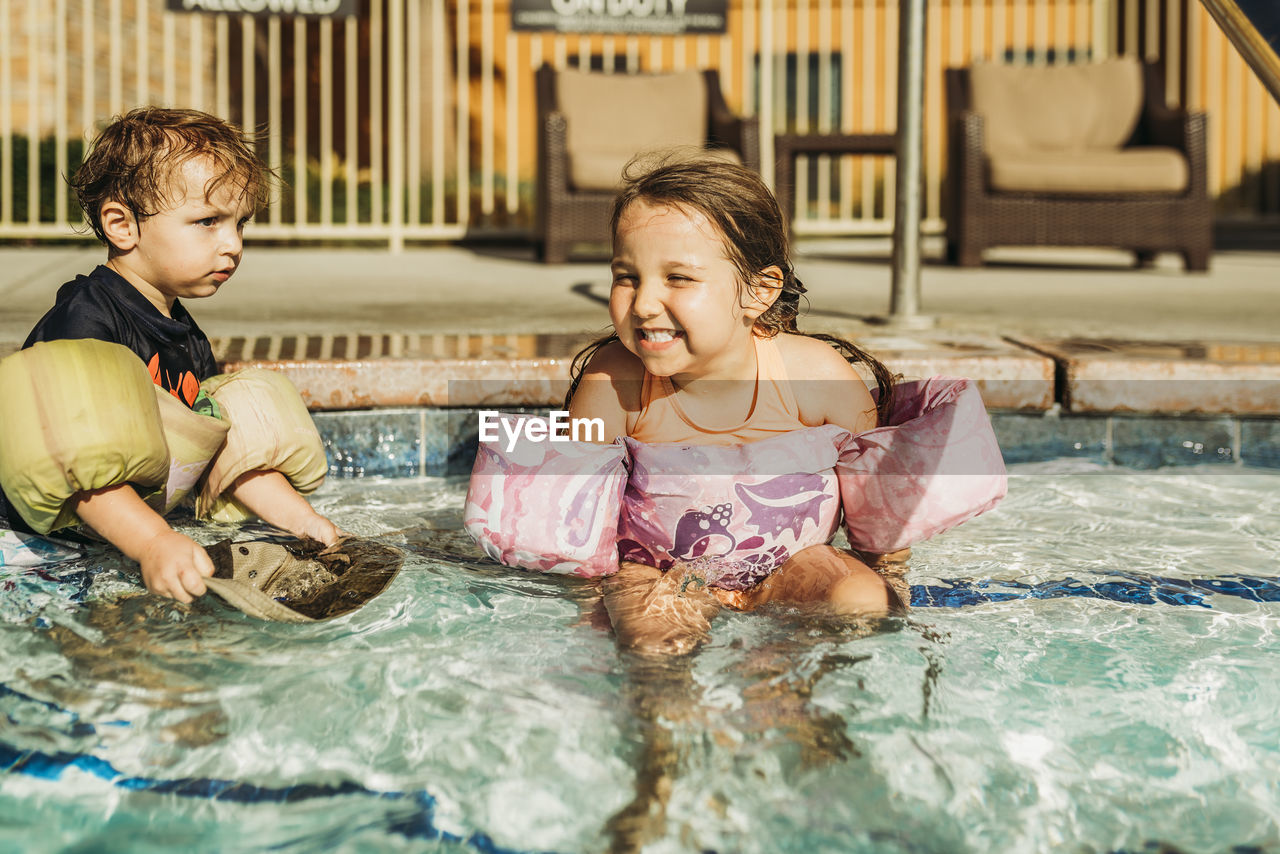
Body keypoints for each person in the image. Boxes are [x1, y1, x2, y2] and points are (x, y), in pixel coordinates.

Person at [564, 156, 905, 654]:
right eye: (627, 276)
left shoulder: (818, 378)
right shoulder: (613, 385)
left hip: (795, 565)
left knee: (861, 600)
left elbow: (882, 512)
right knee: (655, 640)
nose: (642, 304)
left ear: (760, 291)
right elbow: (579, 527)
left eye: (678, 278)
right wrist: (588, 611)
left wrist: (892, 579)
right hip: (659, 572)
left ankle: (801, 714)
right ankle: (667, 721)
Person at [1, 107, 340, 604]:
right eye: (207, 222)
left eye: (239, 224)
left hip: (126, 536)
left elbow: (221, 452)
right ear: (122, 225)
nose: (233, 245)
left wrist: (303, 521)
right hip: (32, 544)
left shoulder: (186, 336)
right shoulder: (86, 320)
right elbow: (77, 467)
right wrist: (154, 541)